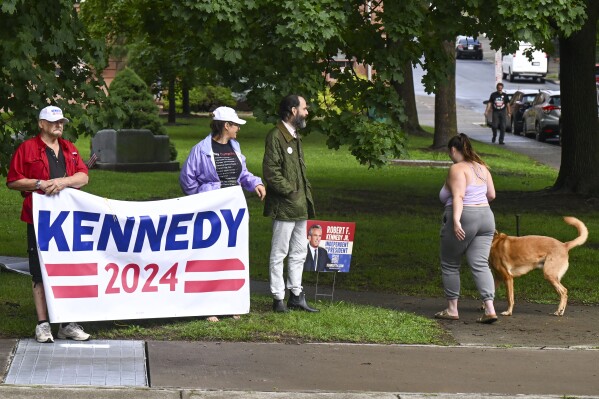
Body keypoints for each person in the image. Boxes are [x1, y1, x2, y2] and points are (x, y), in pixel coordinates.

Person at [6, 105, 91, 342]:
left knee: (68, 268)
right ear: (41, 124)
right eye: (53, 121)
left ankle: (67, 323)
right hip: (39, 218)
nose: (59, 125)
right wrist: (38, 184)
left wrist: (63, 182)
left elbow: (83, 176)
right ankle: (43, 324)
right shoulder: (27, 149)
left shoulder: (69, 149)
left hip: (67, 218)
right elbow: (13, 181)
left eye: (61, 121)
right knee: (39, 269)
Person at [179, 106, 265, 322]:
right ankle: (209, 306)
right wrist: (203, 199)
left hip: (232, 210)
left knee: (231, 256)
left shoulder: (235, 146)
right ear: (226, 126)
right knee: (210, 257)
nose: (238, 129)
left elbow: (243, 174)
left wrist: (256, 183)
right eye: (235, 125)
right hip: (211, 212)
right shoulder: (201, 149)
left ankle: (231, 302)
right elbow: (187, 179)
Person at [263, 94, 318, 313]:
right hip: (286, 205)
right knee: (279, 253)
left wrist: (300, 196)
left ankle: (296, 295)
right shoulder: (276, 136)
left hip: (300, 205)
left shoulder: (294, 136)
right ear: (293, 110)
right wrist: (291, 192)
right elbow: (271, 171)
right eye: (304, 108)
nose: (307, 112)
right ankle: (278, 298)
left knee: (299, 252)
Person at [436, 133, 498, 324]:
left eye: (449, 152)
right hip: (486, 217)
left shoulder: (457, 169)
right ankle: (490, 309)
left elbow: (459, 197)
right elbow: (492, 195)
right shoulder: (482, 168)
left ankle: (452, 309)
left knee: (449, 262)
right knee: (480, 264)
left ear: (453, 150)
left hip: (465, 216)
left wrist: (456, 221)